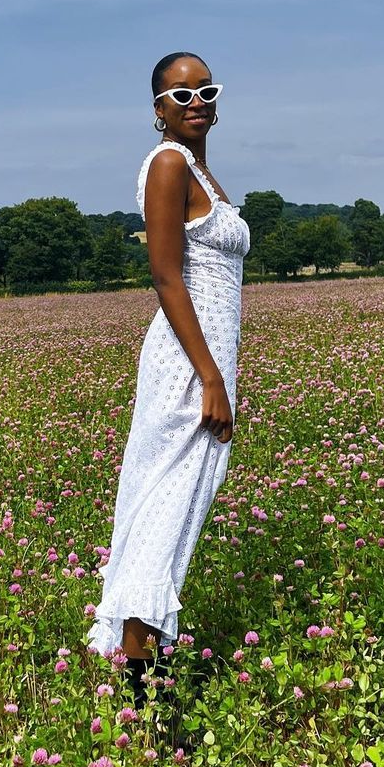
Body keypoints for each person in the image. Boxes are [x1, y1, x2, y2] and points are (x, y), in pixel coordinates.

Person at [85, 50, 250, 729]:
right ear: (158, 109)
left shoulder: (199, 168)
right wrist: (209, 377)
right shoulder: (168, 165)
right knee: (162, 520)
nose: (196, 103)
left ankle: (142, 698)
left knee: (171, 519)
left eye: (206, 91)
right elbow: (165, 276)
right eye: (181, 95)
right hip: (186, 367)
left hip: (205, 361)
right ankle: (143, 708)